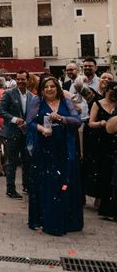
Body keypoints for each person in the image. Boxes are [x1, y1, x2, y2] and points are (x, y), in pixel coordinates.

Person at [26, 76, 83, 235]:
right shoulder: (37, 102)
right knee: (45, 183)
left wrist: (62, 118)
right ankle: (44, 218)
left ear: (57, 88)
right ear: (42, 90)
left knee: (63, 183)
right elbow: (29, 122)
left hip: (63, 148)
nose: (49, 89)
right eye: (46, 87)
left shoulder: (66, 102)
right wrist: (41, 129)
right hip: (44, 149)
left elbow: (77, 121)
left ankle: (65, 219)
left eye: (52, 86)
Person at [0, 70, 35, 199]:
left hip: (26, 134)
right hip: (11, 133)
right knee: (11, 163)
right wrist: (14, 119)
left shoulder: (32, 96)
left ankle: (27, 186)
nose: (20, 81)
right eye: (18, 79)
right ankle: (10, 189)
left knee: (27, 161)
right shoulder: (8, 93)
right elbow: (0, 110)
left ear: (28, 80)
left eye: (23, 79)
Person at [81, 72, 114, 203]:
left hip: (109, 139)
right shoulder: (92, 94)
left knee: (106, 169)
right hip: (94, 136)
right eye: (104, 78)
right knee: (92, 167)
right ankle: (86, 195)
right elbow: (79, 87)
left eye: (109, 79)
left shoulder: (114, 99)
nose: (106, 80)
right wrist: (82, 79)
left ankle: (101, 199)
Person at [88, 81, 117, 219]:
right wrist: (101, 123)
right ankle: (103, 202)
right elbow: (90, 123)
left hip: (114, 142)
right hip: (101, 141)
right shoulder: (98, 103)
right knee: (104, 172)